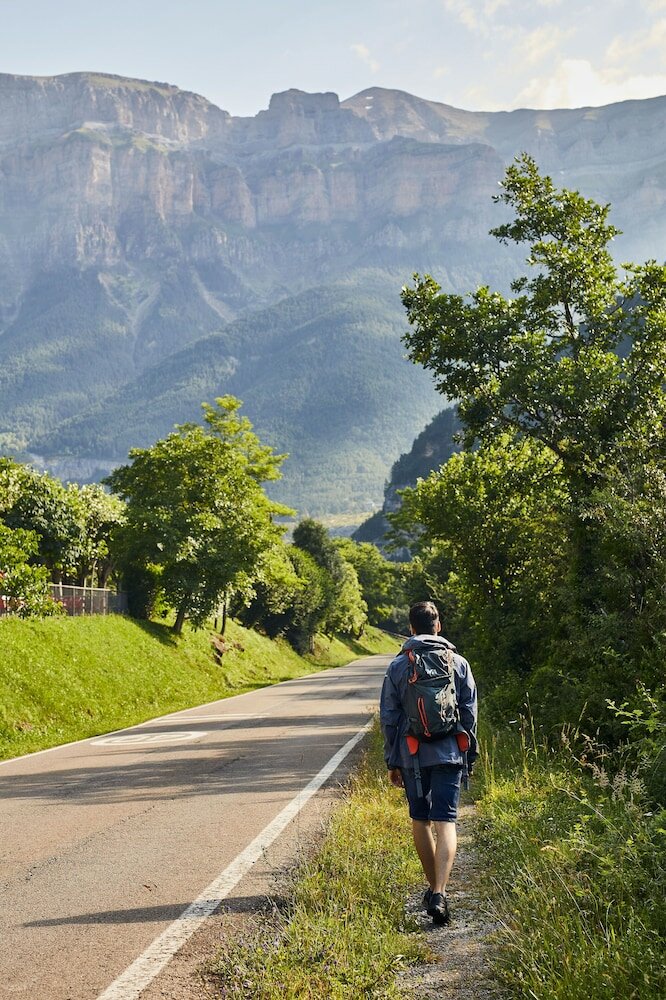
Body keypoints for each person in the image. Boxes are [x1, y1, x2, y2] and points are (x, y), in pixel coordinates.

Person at [380, 600, 478, 925]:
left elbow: (390, 717)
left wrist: (392, 760)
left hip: (412, 754)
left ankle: (432, 887)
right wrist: (469, 753)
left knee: (421, 820)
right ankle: (440, 892)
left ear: (410, 628)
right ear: (438, 626)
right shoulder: (458, 663)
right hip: (450, 751)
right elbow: (469, 712)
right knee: (446, 821)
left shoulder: (397, 667)